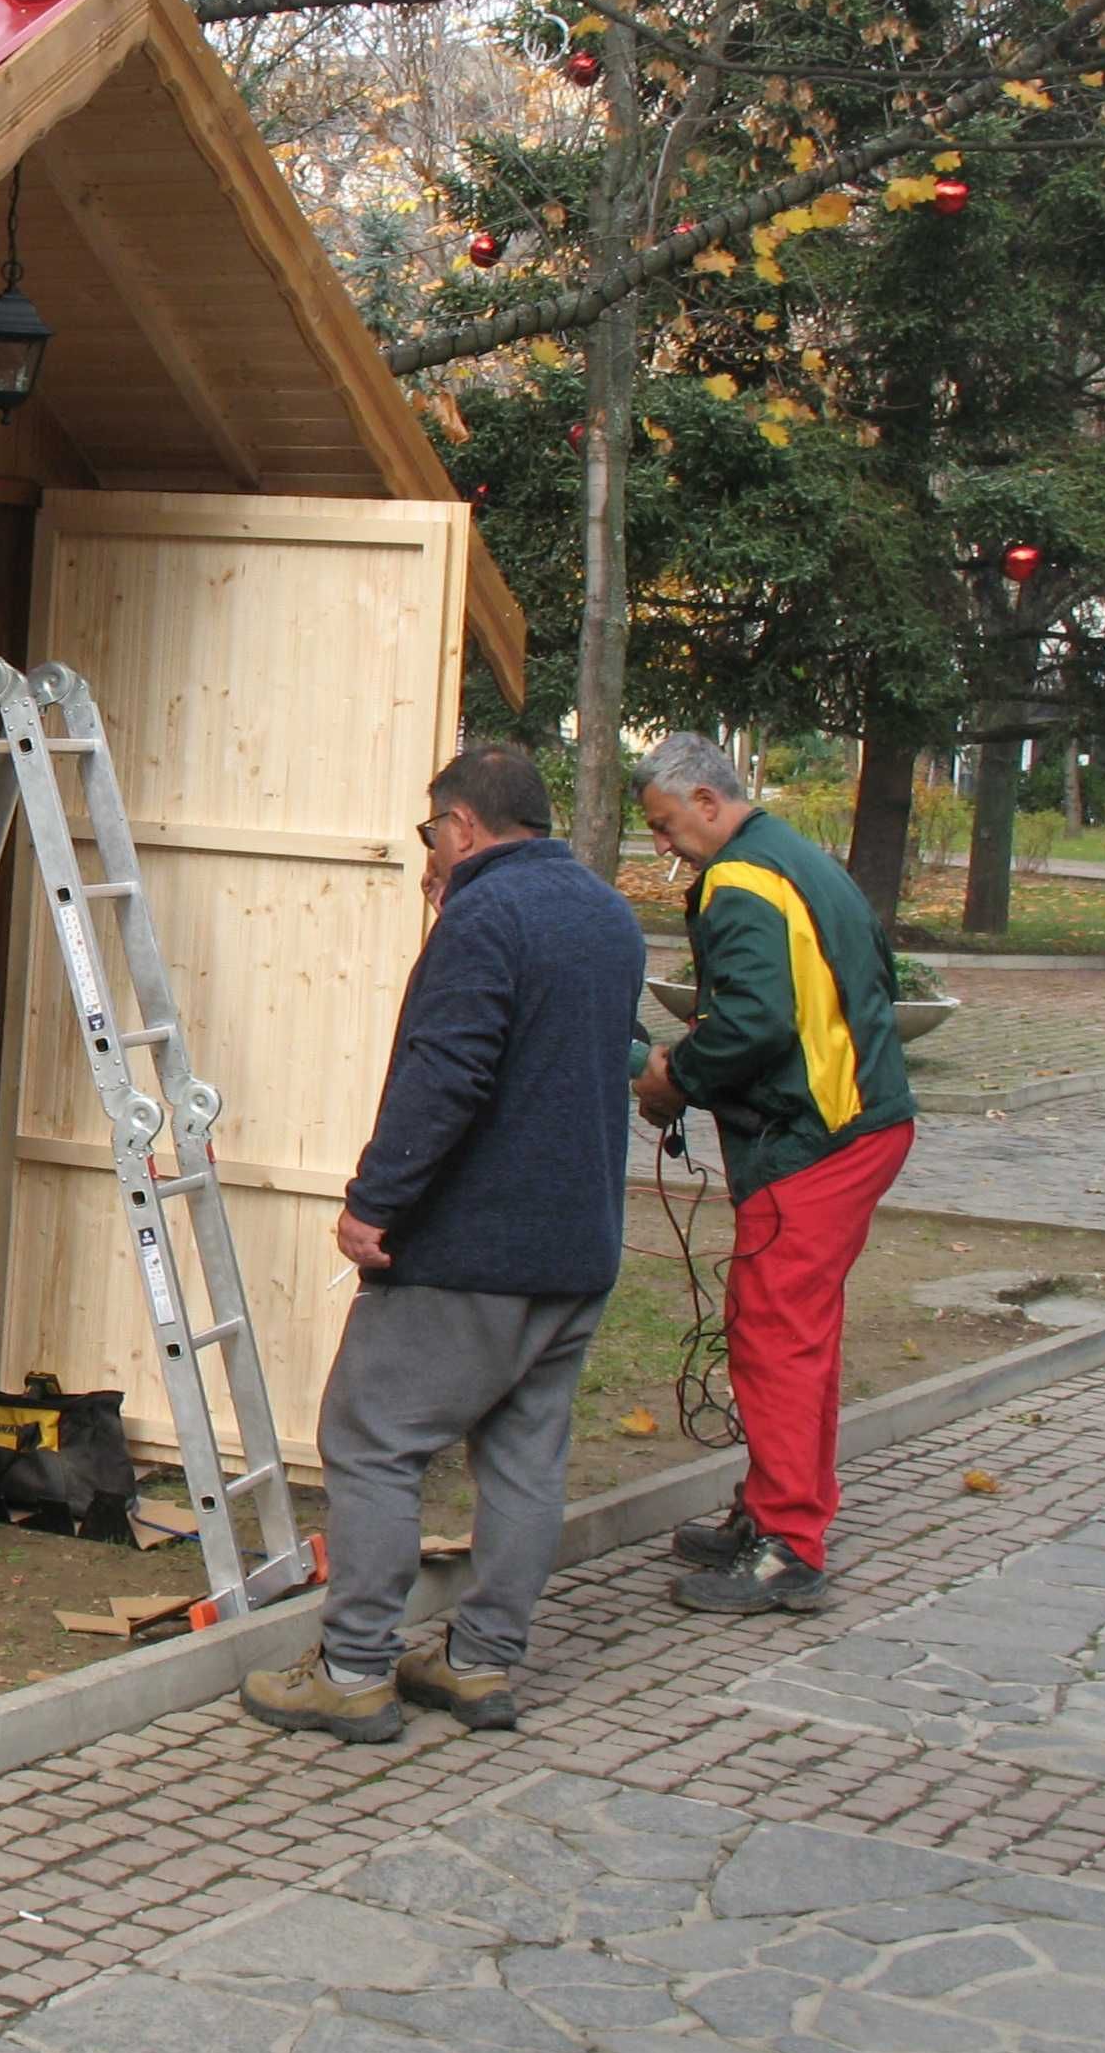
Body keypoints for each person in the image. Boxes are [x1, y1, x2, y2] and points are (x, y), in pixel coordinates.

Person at [240, 744, 648, 1746]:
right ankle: (479, 1664)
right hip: (579, 1247)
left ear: (461, 829)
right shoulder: (609, 914)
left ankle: (353, 1671)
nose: (431, 856)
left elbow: (448, 1073)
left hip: (475, 1251)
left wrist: (374, 1203)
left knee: (373, 1440)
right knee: (523, 1458)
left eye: (433, 835)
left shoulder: (483, 916)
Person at [630, 733, 916, 1616]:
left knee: (776, 1335)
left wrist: (671, 1077)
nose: (664, 848)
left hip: (816, 1139)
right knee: (790, 1327)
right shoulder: (796, 858)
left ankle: (789, 1546)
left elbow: (753, 1022)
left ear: (709, 802)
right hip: (857, 1121)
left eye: (668, 827)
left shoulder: (742, 882)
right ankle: (770, 1510)